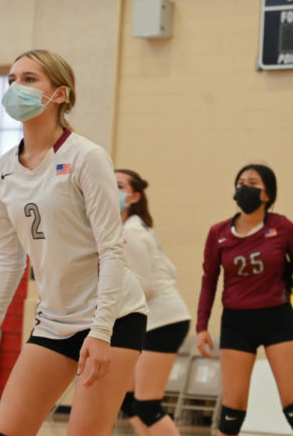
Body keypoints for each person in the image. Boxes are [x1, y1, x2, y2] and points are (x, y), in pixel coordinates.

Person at [0, 49, 148, 436]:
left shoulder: (87, 157)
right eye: (12, 79)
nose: (16, 87)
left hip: (113, 317)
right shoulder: (2, 169)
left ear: (59, 94)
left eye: (29, 79)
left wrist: (101, 331)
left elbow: (112, 249)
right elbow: (10, 261)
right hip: (54, 321)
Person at [196, 164, 293, 436]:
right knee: (231, 416)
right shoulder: (218, 233)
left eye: (253, 182)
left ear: (267, 194)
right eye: (240, 181)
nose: (244, 187)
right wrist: (202, 326)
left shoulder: (283, 227)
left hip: (277, 320)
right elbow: (209, 281)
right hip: (236, 323)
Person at [116, 169, 191, 436]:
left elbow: (145, 287)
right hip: (156, 320)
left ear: (135, 196)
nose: (112, 189)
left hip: (164, 320)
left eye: (119, 185)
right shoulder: (133, 229)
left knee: (147, 405)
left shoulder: (130, 233)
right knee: (127, 400)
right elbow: (171, 271)